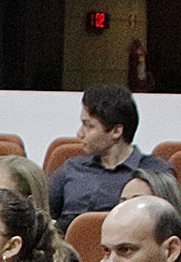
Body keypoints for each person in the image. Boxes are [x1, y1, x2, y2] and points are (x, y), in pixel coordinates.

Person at [48, 84, 171, 222]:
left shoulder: (154, 173)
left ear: (116, 131)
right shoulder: (71, 168)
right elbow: (44, 217)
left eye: (89, 126)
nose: (80, 133)